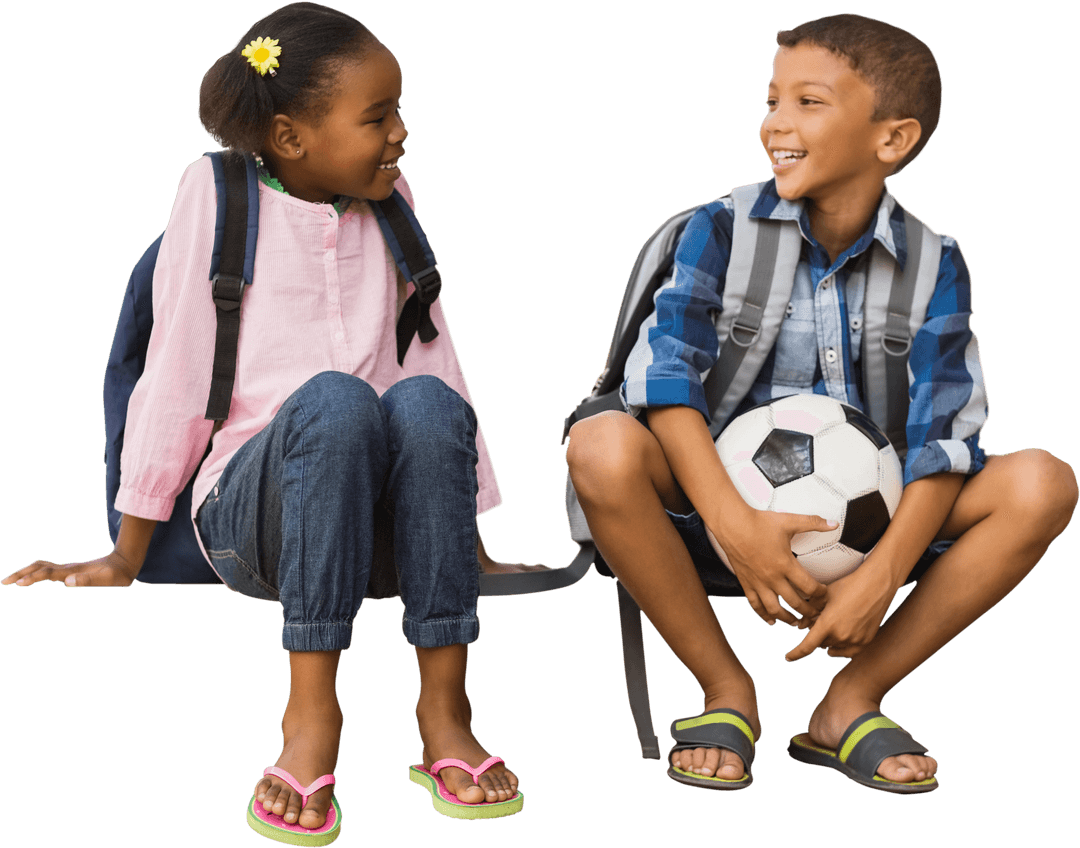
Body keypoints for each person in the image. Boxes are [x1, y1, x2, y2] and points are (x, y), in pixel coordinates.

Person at [2, 2, 529, 838]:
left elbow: (434, 357)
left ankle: (444, 710)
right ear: (290, 137)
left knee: (428, 400)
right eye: (377, 118)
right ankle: (311, 717)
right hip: (256, 516)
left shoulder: (391, 200)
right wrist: (125, 549)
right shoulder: (214, 195)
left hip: (375, 529)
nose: (400, 134)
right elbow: (173, 371)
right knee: (335, 397)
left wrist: (463, 538)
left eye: (398, 111)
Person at [566, 12, 1077, 793]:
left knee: (1044, 481)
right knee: (600, 445)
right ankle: (725, 690)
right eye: (772, 100)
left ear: (892, 140)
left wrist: (883, 574)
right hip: (711, 517)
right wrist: (735, 528)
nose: (776, 123)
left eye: (808, 102)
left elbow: (945, 443)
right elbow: (664, 386)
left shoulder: (937, 264)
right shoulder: (717, 229)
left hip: (874, 532)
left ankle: (850, 701)